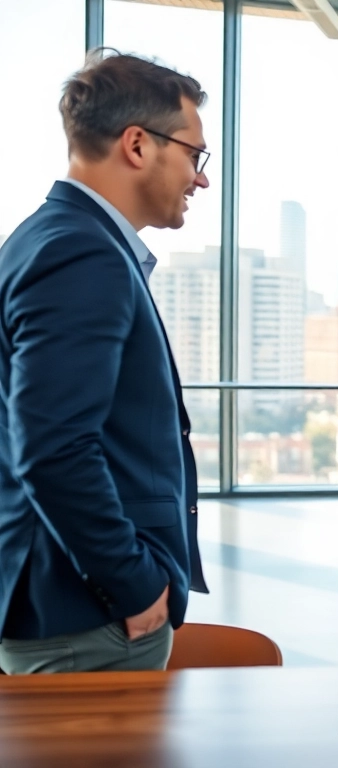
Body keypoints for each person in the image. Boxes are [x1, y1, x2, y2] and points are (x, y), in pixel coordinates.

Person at [0, 50, 210, 673]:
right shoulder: (80, 253)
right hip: (86, 614)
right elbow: (53, 447)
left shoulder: (48, 237)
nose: (201, 179)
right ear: (138, 145)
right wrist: (134, 584)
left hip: (69, 601)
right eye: (194, 155)